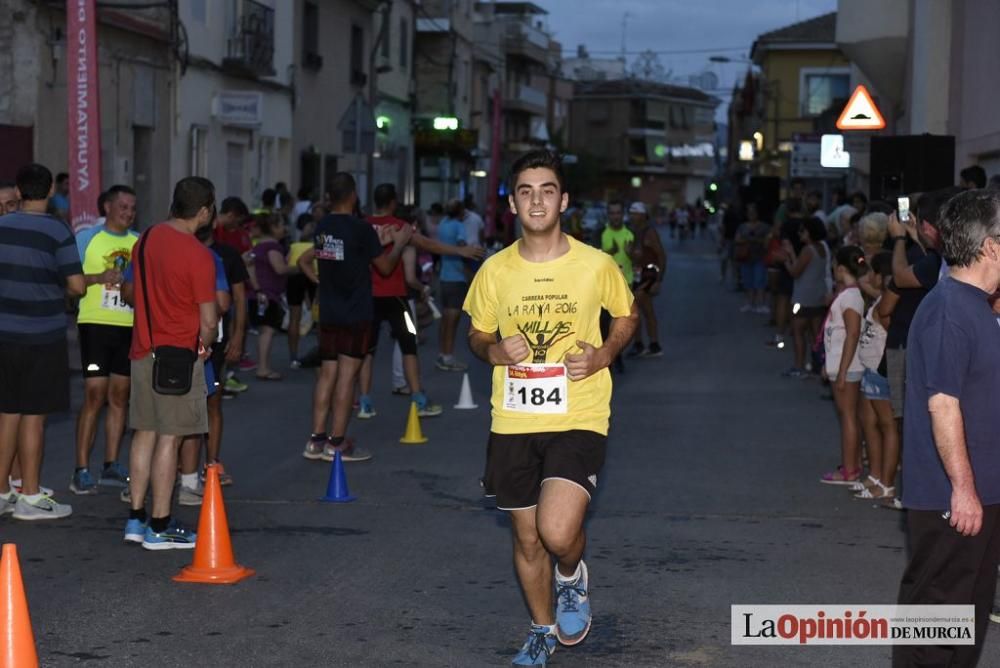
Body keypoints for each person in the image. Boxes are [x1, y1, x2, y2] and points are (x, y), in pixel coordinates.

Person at [464, 150, 638, 666]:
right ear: (513, 203)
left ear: (562, 200)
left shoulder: (596, 264)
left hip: (579, 414)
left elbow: (626, 315)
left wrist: (605, 352)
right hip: (514, 417)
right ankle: (541, 629)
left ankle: (571, 576)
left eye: (546, 190)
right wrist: (494, 351)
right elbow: (477, 334)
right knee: (526, 536)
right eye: (525, 191)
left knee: (557, 533)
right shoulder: (495, 271)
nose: (536, 199)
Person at [894, 189, 1000, 668]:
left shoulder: (978, 305)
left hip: (979, 495)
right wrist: (963, 488)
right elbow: (943, 404)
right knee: (936, 626)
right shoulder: (948, 310)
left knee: (965, 622)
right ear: (991, 246)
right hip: (951, 500)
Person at [122, 176, 218, 549]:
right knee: (171, 437)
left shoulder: (145, 238)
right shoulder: (198, 255)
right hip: (179, 354)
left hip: (142, 350)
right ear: (205, 211)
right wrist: (204, 347)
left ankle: (135, 519)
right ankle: (160, 524)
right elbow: (209, 321)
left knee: (143, 432)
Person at [297, 173, 413, 463]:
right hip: (355, 310)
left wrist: (376, 241)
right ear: (353, 196)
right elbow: (385, 267)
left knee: (327, 375)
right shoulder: (360, 228)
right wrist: (398, 243)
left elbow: (343, 256)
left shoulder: (323, 227)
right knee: (347, 376)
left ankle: (316, 439)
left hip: (329, 309)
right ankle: (337, 443)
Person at [0, 163, 85, 520]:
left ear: (18, 192)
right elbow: (78, 285)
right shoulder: (57, 230)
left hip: (4, 333)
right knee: (34, 416)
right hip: (43, 334)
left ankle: (3, 490)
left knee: (7, 413)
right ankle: (31, 497)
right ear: (50, 191)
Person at [357, 184, 447, 419]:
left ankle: (365, 402)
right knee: (409, 345)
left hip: (369, 298)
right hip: (397, 298)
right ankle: (418, 399)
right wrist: (462, 251)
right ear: (393, 202)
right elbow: (429, 246)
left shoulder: (362, 226)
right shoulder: (401, 228)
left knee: (367, 351)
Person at [70, 185, 138, 495]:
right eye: (123, 206)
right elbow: (70, 283)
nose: (128, 213)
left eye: (132, 208)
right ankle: (81, 469)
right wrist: (100, 278)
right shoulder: (88, 238)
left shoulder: (138, 242)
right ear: (107, 207)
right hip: (96, 323)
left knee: (120, 395)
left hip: (128, 324)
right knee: (95, 394)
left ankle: (111, 463)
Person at [877, 189, 954, 428]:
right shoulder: (946, 257)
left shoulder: (935, 262)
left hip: (916, 348)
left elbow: (900, 277)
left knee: (907, 420)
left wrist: (900, 239)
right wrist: (914, 233)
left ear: (929, 227)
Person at [819, 246, 867, 484]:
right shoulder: (850, 294)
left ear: (840, 268)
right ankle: (853, 464)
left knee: (847, 416)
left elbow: (852, 333)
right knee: (851, 416)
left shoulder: (850, 297)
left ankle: (849, 469)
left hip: (846, 366)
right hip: (842, 364)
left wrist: (842, 371)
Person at [853, 252, 897, 501]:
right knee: (870, 424)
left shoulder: (885, 305)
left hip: (880, 371)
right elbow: (866, 285)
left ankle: (886, 483)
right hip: (870, 369)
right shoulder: (881, 298)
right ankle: (876, 475)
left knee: (886, 426)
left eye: (874, 272)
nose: (869, 276)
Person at [249, 214, 297, 380]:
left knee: (264, 330)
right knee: (268, 331)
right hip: (269, 294)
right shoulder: (273, 247)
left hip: (258, 294)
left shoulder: (257, 247)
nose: (284, 228)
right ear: (273, 228)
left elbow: (246, 261)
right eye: (281, 225)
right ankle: (263, 367)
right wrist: (297, 267)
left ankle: (262, 366)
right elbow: (279, 269)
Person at [781, 217, 829, 378]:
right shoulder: (822, 247)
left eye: (803, 230)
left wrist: (786, 260)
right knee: (815, 334)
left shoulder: (808, 250)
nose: (800, 233)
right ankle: (818, 365)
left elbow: (795, 272)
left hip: (803, 297)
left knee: (798, 331)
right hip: (818, 296)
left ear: (810, 232)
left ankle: (799, 366)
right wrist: (792, 253)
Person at [626, 201, 665, 358]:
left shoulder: (649, 232)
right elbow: (636, 256)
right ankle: (640, 344)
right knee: (635, 310)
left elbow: (661, 255)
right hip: (637, 274)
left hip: (649, 273)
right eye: (631, 213)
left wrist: (658, 280)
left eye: (635, 213)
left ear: (643, 215)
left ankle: (653, 344)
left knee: (644, 309)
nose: (632, 216)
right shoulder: (634, 231)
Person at [436, 199, 470, 372]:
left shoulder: (442, 224)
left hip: (443, 277)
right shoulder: (458, 226)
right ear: (460, 212)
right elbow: (463, 247)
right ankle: (448, 357)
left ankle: (442, 354)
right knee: (453, 320)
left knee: (445, 320)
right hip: (457, 277)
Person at [600, 200, 633, 373]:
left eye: (618, 213)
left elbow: (639, 257)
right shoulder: (602, 233)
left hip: (626, 284)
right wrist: (608, 252)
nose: (615, 216)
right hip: (604, 286)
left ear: (623, 214)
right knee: (605, 325)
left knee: (622, 324)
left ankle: (618, 356)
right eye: (612, 213)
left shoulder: (629, 233)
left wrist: (631, 253)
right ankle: (609, 359)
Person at [286, 216, 317, 367]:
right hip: (313, 274)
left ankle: (293, 357)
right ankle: (323, 354)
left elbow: (288, 262)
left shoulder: (294, 245)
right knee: (320, 318)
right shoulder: (318, 244)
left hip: (295, 276)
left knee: (294, 317)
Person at [734, 203, 770, 313]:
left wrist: (752, 240)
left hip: (760, 257)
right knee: (748, 281)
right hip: (746, 257)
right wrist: (751, 240)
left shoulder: (764, 226)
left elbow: (767, 242)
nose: (751, 214)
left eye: (753, 212)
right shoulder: (742, 226)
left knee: (759, 281)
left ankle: (761, 304)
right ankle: (750, 303)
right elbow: (737, 239)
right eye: (749, 212)